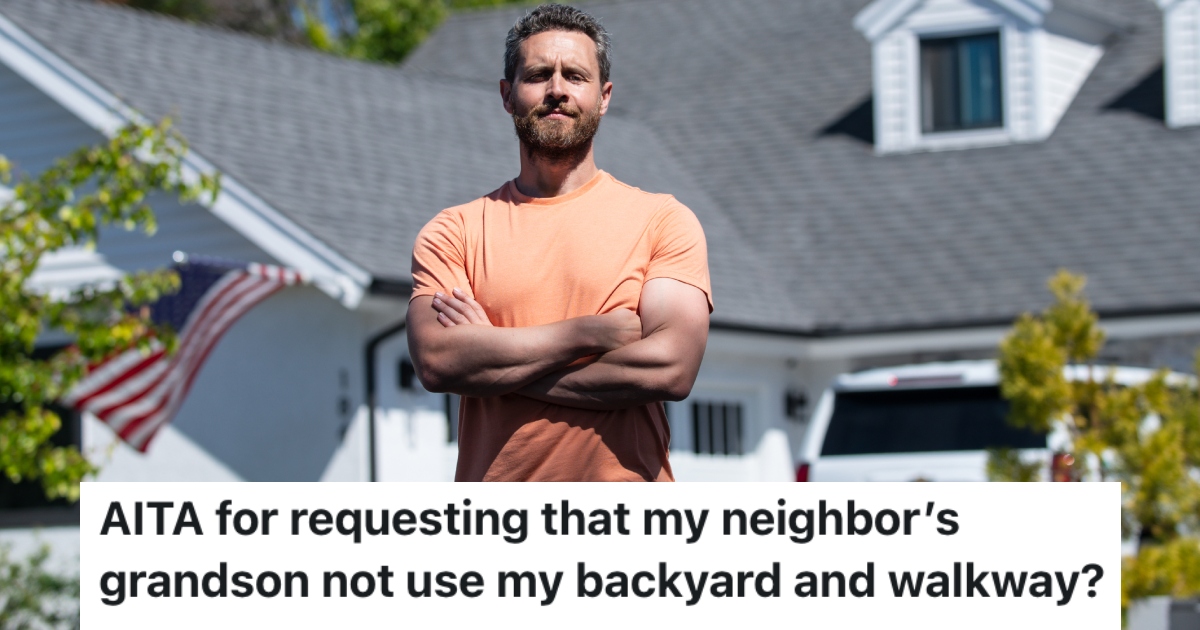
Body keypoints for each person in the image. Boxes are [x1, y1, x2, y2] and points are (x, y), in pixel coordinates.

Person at [406, 3, 712, 481]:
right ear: (507, 95)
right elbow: (438, 362)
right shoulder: (455, 231)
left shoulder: (662, 221)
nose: (557, 90)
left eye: (575, 75)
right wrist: (587, 335)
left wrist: (492, 356)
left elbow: (670, 369)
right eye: (537, 75)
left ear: (604, 96)